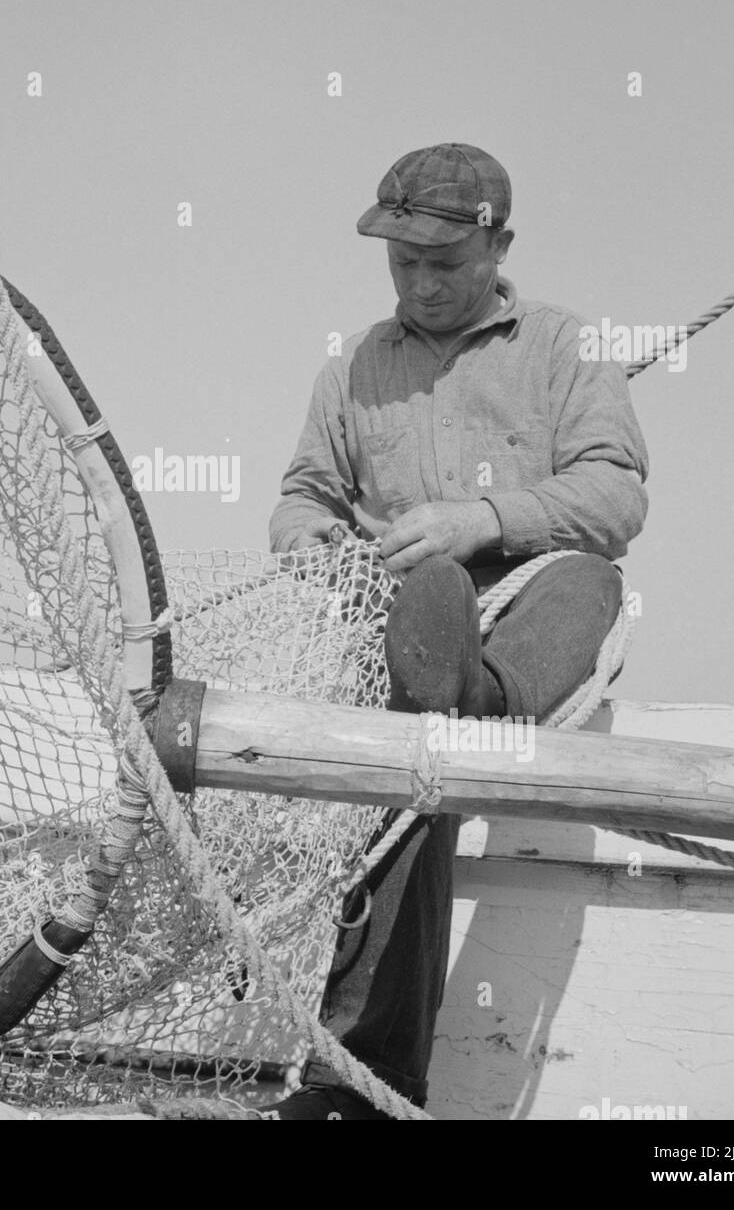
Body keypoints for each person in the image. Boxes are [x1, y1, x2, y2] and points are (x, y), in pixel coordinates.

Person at [262, 142, 649, 1119]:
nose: (421, 283)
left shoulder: (565, 346)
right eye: (404, 263)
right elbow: (303, 494)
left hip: (537, 613)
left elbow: (615, 495)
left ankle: (478, 692)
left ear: (497, 245)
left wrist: (483, 521)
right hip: (403, 635)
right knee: (412, 757)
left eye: (442, 262)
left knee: (584, 575)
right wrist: (310, 542)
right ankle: (364, 1084)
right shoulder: (354, 367)